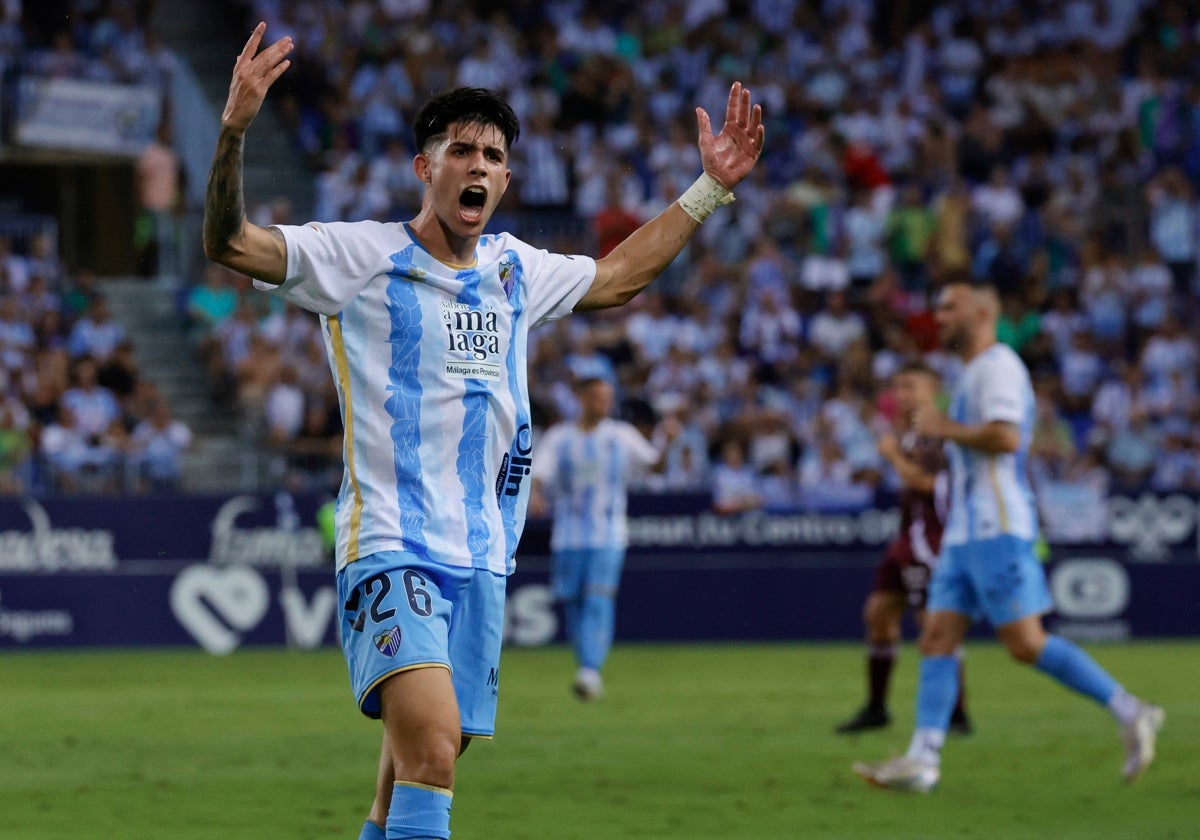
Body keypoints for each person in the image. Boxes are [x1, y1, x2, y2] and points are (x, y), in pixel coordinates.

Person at [202, 23, 763, 840]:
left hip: (482, 555)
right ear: (426, 169)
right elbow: (227, 243)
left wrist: (707, 189)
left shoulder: (512, 268)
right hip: (393, 541)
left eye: (495, 156)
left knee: (414, 779)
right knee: (430, 749)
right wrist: (235, 132)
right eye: (462, 150)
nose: (480, 166)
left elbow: (616, 278)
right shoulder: (359, 256)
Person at [853, 282, 1163, 793]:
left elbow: (1007, 437)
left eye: (949, 307)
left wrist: (943, 427)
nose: (940, 316)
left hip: (997, 526)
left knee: (1025, 644)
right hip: (964, 531)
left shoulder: (999, 366)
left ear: (981, 312)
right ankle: (923, 760)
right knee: (936, 636)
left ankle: (1130, 710)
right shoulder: (971, 372)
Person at [835, 361, 972, 735]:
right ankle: (877, 707)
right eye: (898, 387)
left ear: (933, 389)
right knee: (878, 615)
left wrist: (892, 456)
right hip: (904, 539)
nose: (902, 395)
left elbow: (930, 485)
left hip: (930, 540)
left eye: (911, 386)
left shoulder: (938, 435)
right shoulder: (910, 434)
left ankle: (957, 713)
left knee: (933, 624)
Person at [532, 377, 660, 701]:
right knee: (574, 602)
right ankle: (587, 668)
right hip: (568, 536)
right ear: (581, 398)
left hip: (609, 533)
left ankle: (590, 670)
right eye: (597, 397)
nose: (604, 403)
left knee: (598, 599)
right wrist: (536, 495)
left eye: (608, 398)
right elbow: (540, 473)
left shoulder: (621, 435)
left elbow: (654, 463)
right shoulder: (560, 437)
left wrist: (669, 440)